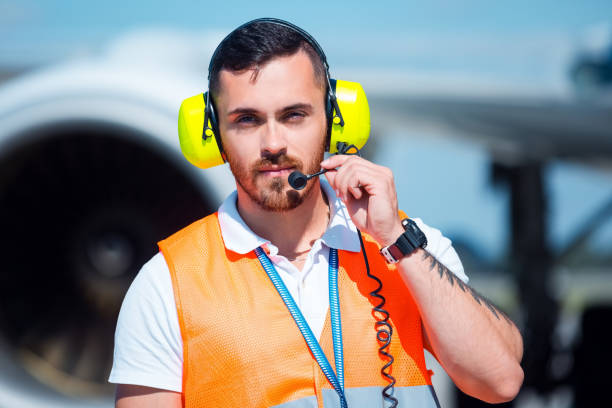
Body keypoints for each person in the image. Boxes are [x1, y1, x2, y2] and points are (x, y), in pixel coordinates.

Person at [109, 18, 523, 408]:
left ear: (335, 121)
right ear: (212, 134)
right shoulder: (166, 285)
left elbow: (500, 381)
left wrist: (399, 241)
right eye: (247, 120)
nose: (273, 142)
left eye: (294, 115)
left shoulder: (408, 245)